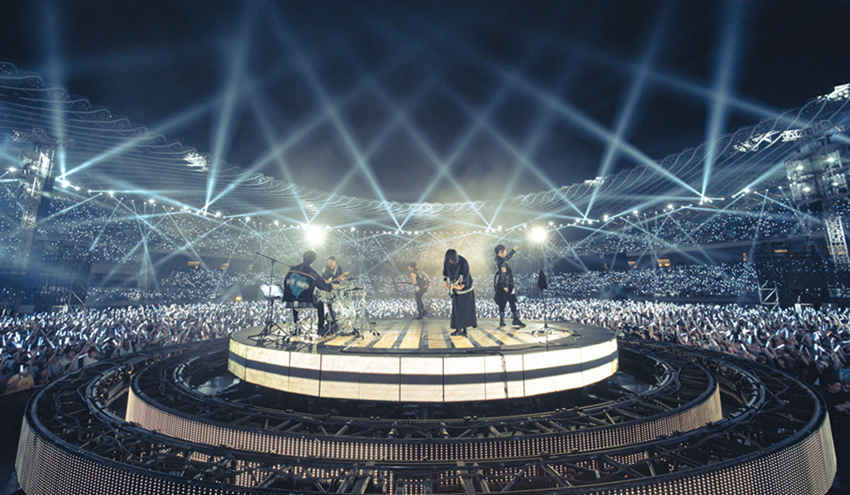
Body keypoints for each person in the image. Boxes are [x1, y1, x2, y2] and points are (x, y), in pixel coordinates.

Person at [286, 251, 335, 334]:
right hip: (306, 300)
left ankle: (296, 327)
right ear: (313, 260)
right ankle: (320, 328)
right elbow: (322, 286)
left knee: (295, 298)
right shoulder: (312, 272)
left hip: (290, 300)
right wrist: (330, 286)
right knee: (320, 303)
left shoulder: (292, 269)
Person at [443, 249, 476, 336]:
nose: (451, 262)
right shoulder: (447, 261)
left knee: (465, 309)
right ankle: (458, 329)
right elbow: (445, 273)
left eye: (452, 260)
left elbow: (466, 276)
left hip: (466, 288)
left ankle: (464, 330)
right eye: (449, 260)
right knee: (456, 309)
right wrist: (446, 281)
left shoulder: (463, 262)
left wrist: (461, 286)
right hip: (455, 287)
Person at [494, 244, 525, 328]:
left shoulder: (501, 260)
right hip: (506, 285)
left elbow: (507, 257)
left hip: (505, 284)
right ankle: (514, 320)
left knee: (506, 302)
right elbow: (503, 274)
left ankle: (504, 321)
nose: (505, 252)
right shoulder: (501, 262)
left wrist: (513, 251)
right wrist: (505, 286)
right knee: (510, 302)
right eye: (504, 251)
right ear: (500, 252)